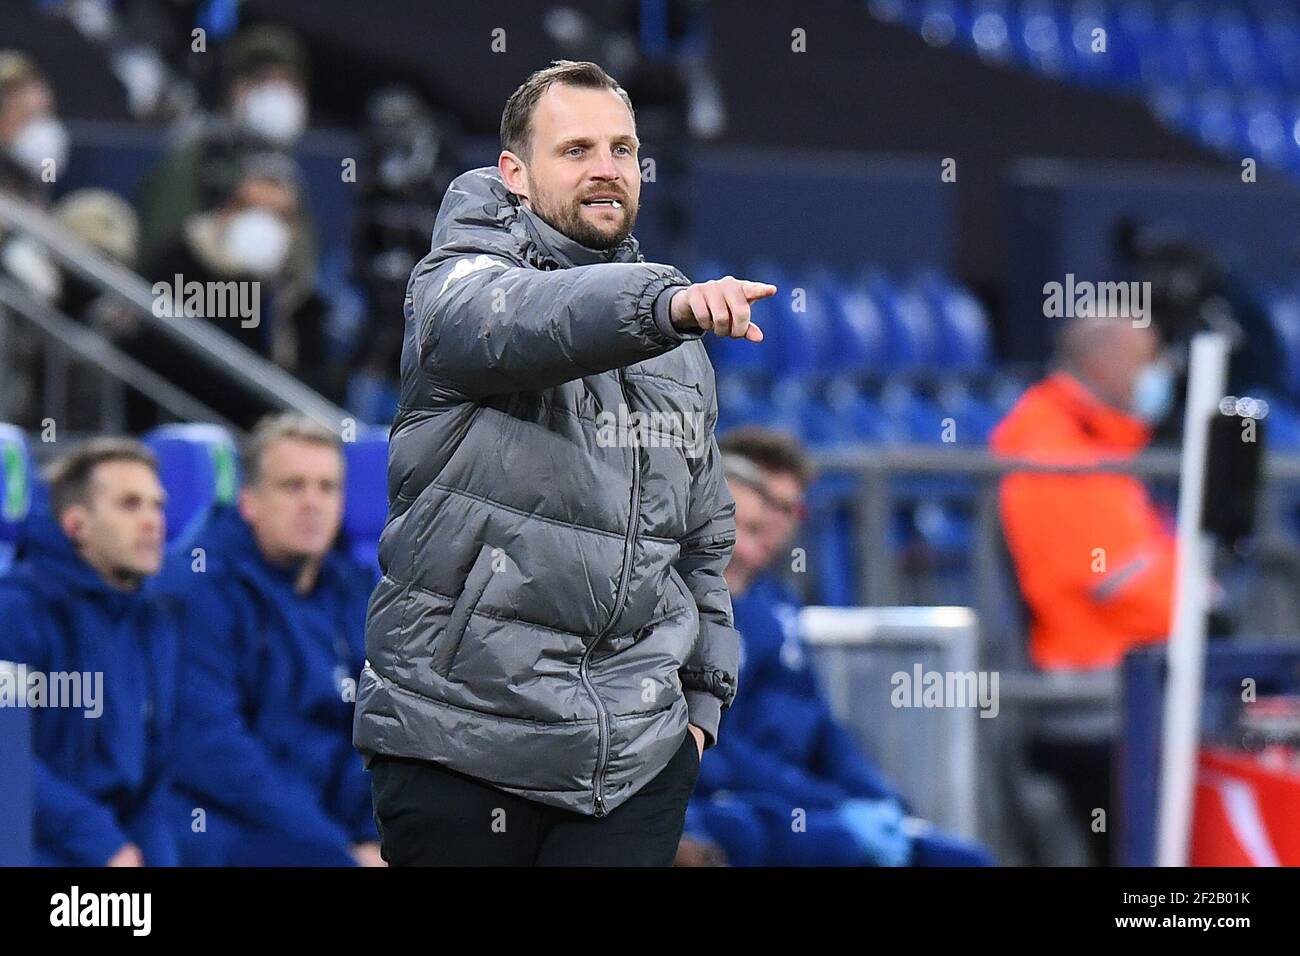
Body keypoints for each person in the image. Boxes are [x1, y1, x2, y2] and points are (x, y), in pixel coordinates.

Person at [355, 59, 776, 866]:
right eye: (577, 149)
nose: (607, 169)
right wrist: (664, 304)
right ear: (514, 172)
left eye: (622, 149)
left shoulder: (676, 342)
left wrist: (698, 709)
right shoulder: (455, 286)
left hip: (632, 762)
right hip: (461, 744)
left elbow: (703, 542)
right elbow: (528, 322)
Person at [681, 430, 994, 866]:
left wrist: (877, 797)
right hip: (744, 804)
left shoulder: (781, 607)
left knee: (962, 860)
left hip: (802, 802)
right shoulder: (687, 609)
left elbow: (821, 725)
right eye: (756, 510)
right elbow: (716, 748)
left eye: (785, 509)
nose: (770, 525)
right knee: (826, 844)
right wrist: (827, 804)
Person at [161, 414, 381, 866]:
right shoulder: (198, 586)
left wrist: (380, 832)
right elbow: (212, 748)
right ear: (249, 501)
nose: (312, 503)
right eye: (292, 486)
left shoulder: (353, 588)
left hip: (329, 823)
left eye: (327, 487)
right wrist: (335, 849)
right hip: (227, 820)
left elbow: (378, 730)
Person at [0, 439, 178, 867]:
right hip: (33, 840)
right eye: (130, 505)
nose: (153, 522)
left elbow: (152, 775)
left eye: (157, 505)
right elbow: (6, 760)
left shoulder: (153, 618)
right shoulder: (16, 610)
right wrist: (100, 842)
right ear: (77, 524)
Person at [990, 313, 1178, 671]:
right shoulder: (1051, 447)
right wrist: (1197, 611)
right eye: (1147, 359)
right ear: (1101, 365)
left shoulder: (1105, 441)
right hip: (1092, 665)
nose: (1159, 372)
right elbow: (1111, 583)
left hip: (1137, 657)